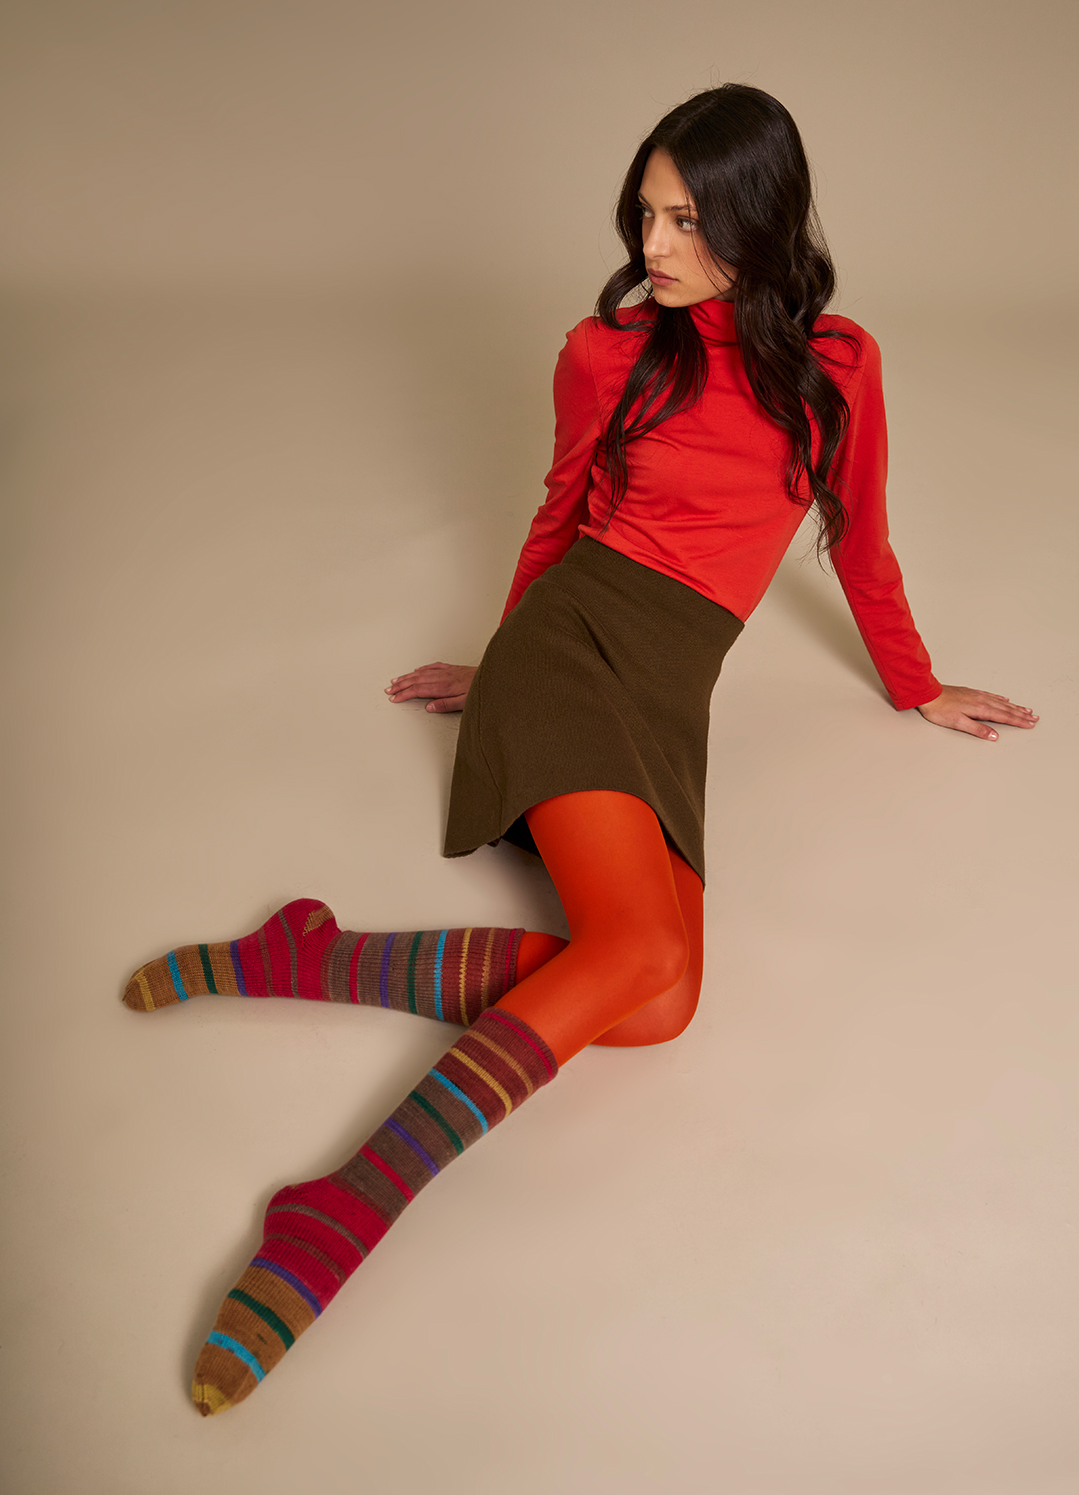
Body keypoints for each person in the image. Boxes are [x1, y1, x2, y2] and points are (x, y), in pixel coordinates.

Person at [123, 84, 1038, 1416]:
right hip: (569, 649)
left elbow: (863, 539)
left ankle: (307, 953)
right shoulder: (605, 354)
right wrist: (505, 667)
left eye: (687, 219)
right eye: (646, 214)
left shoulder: (841, 365)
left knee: (659, 1003)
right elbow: (558, 520)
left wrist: (916, 687)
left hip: (669, 693)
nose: (653, 246)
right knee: (643, 955)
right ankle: (347, 1205)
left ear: (759, 220)